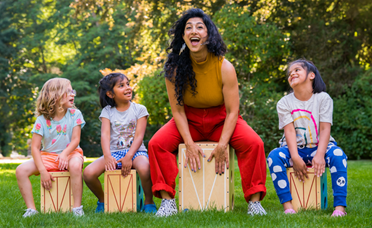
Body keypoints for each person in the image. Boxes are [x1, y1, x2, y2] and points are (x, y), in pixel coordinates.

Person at [148, 8, 267, 217]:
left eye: (199, 27)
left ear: (208, 35)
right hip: (189, 120)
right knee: (157, 144)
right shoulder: (173, 69)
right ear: (183, 36)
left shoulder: (224, 66)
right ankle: (167, 202)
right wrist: (190, 144)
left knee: (254, 143)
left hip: (222, 119)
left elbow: (232, 112)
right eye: (188, 28)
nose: (194, 31)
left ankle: (255, 202)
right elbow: (177, 111)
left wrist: (222, 144)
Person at [267, 59, 348, 217]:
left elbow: (325, 129)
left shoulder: (323, 98)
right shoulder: (284, 103)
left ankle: (339, 208)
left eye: (297, 70)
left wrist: (319, 154)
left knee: (338, 155)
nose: (292, 73)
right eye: (290, 72)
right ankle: (288, 207)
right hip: (294, 149)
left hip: (321, 147)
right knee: (273, 157)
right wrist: (295, 157)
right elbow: (289, 132)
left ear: (311, 75)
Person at [83, 73, 156, 213]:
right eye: (121, 85)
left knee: (145, 169)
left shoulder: (140, 109)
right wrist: (108, 156)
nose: (128, 88)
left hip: (136, 151)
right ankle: (103, 200)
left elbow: (139, 136)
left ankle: (149, 201)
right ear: (110, 94)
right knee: (88, 173)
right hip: (114, 153)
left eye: (128, 84)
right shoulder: (107, 112)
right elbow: (104, 135)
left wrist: (129, 156)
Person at [16, 78, 86, 217]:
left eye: (73, 91)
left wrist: (65, 154)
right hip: (48, 156)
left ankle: (77, 208)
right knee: (21, 171)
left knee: (76, 166)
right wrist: (42, 170)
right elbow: (35, 148)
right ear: (56, 96)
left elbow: (76, 139)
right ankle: (31, 210)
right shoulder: (41, 120)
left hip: (71, 153)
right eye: (68, 91)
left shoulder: (75, 114)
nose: (73, 94)